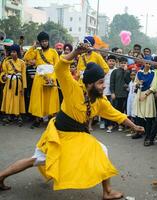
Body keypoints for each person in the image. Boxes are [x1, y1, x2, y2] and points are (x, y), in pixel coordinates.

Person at [0, 44, 144, 200]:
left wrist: (135, 126)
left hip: (77, 137)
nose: (104, 86)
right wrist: (75, 52)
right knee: (35, 160)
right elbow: (60, 67)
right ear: (89, 84)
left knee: (102, 150)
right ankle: (1, 176)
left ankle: (107, 191)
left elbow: (118, 116)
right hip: (58, 136)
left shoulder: (100, 101)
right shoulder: (73, 89)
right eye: (100, 83)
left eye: (104, 82)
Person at [24, 31, 60, 128]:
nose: (44, 43)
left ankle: (51, 120)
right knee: (38, 99)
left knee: (50, 99)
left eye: (46, 41)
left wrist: (53, 78)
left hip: (51, 78)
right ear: (40, 42)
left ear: (48, 41)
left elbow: (57, 66)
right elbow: (26, 57)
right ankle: (37, 119)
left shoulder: (53, 52)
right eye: (42, 41)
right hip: (39, 78)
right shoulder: (36, 51)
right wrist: (33, 47)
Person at [1, 44, 27, 126]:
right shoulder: (7, 62)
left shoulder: (22, 62)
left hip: (18, 84)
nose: (13, 53)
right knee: (8, 99)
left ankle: (18, 116)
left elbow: (23, 75)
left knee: (17, 99)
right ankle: (8, 115)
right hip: (9, 83)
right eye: (11, 52)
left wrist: (24, 87)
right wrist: (3, 77)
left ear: (18, 52)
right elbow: (3, 72)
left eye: (14, 52)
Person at [133, 61, 157, 145]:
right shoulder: (139, 72)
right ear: (144, 63)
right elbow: (135, 82)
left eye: (150, 63)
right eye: (146, 63)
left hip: (148, 95)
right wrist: (138, 84)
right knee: (139, 114)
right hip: (139, 94)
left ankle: (148, 136)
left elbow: (154, 86)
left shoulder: (153, 73)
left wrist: (145, 95)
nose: (148, 65)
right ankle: (139, 132)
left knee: (148, 116)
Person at [110, 57, 130, 131]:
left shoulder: (128, 72)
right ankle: (113, 124)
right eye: (121, 63)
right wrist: (112, 92)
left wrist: (126, 72)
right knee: (115, 110)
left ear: (127, 64)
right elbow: (112, 83)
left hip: (125, 94)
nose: (123, 64)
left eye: (124, 63)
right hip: (117, 94)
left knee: (123, 110)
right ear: (118, 63)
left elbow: (128, 81)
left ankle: (121, 125)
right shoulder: (115, 71)